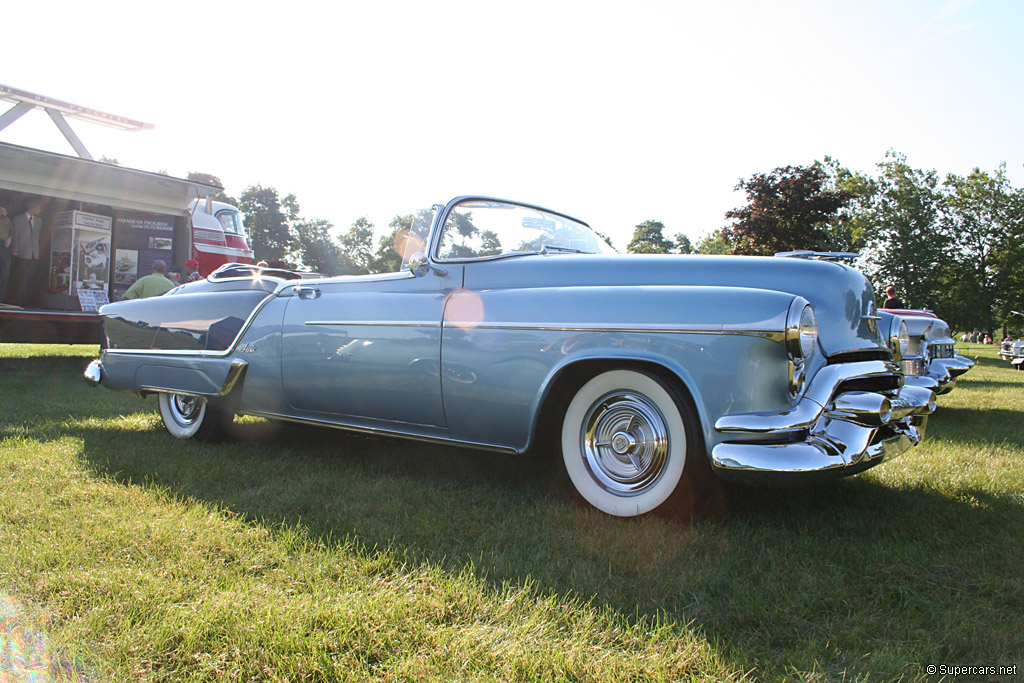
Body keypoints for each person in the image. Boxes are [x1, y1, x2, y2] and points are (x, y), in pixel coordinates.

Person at [9, 198, 45, 307]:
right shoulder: (18, 219)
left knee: (30, 279)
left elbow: (37, 236)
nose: (40, 210)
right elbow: (15, 236)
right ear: (32, 208)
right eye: (39, 208)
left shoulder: (39, 220)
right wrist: (15, 250)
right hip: (22, 253)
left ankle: (27, 301)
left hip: (34, 253)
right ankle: (18, 301)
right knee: (21, 278)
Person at [0, 206, 12, 303]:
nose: (3, 212)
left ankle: (1, 298)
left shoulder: (7, 220)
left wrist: (10, 238)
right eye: (1, 210)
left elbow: (12, 231)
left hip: (4, 246)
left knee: (5, 272)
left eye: (4, 210)